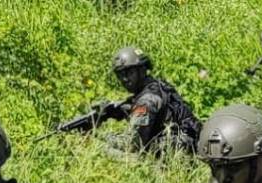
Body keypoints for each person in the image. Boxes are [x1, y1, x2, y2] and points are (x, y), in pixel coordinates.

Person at [58, 46, 201, 155]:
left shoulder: (146, 101)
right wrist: (112, 111)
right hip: (187, 147)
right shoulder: (157, 86)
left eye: (129, 72)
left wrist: (96, 135)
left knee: (102, 152)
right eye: (120, 75)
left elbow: (132, 145)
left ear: (142, 70)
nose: (125, 79)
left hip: (172, 159)